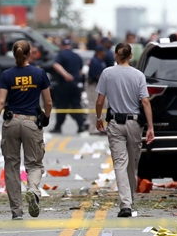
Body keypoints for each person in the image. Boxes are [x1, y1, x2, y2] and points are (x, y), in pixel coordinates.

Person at [0, 41, 52, 220]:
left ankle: (16, 211)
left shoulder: (7, 75)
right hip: (31, 123)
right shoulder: (39, 74)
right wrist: (45, 117)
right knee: (34, 164)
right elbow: (48, 101)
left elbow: (0, 102)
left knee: (12, 166)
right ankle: (33, 190)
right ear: (29, 53)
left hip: (11, 122)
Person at [94, 43, 155, 217]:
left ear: (115, 55)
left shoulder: (107, 73)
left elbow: (99, 101)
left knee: (120, 163)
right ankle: (130, 200)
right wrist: (150, 127)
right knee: (132, 164)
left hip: (115, 123)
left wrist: (99, 119)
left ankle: (125, 204)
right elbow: (145, 101)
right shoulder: (138, 75)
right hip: (134, 123)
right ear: (130, 56)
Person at [51, 37, 86, 134]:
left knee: (61, 106)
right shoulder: (77, 56)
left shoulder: (61, 55)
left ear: (62, 46)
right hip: (75, 84)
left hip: (64, 85)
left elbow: (56, 65)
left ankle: (58, 127)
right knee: (76, 106)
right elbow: (81, 71)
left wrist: (65, 75)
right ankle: (81, 125)